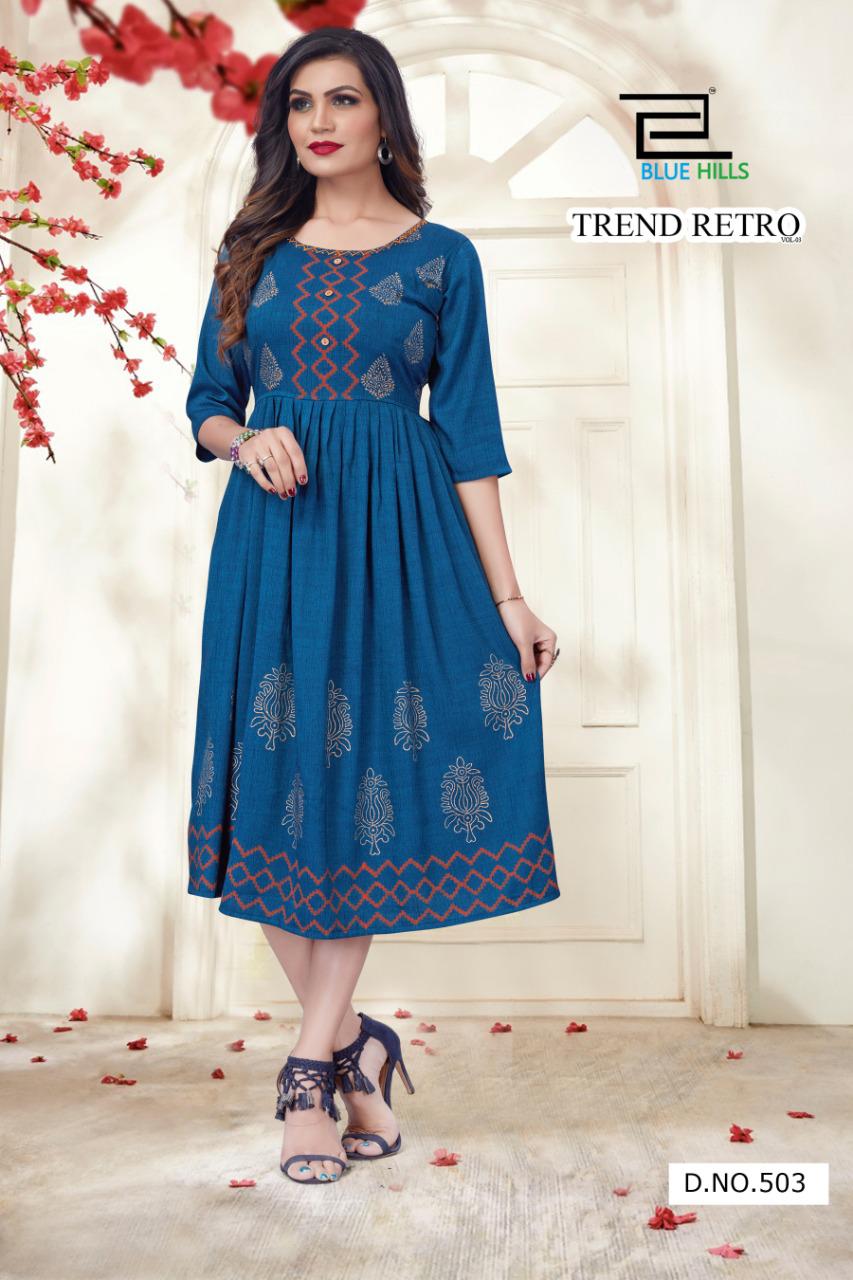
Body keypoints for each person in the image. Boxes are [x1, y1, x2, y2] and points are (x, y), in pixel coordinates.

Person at [185, 25, 561, 1187]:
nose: (320, 121)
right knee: (270, 794)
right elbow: (206, 401)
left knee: (352, 796)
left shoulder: (444, 259)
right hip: (274, 538)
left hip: (399, 541)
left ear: (384, 117)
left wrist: (508, 594)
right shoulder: (252, 250)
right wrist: (245, 439)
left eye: (343, 99)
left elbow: (473, 432)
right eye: (300, 103)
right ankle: (355, 1048)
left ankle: (307, 1068)